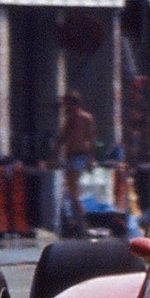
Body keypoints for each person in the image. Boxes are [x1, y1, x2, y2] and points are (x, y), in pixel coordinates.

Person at [54, 91, 98, 237]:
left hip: (80, 156)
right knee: (71, 192)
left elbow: (91, 138)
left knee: (73, 192)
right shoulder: (69, 119)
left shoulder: (85, 118)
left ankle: (82, 223)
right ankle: (77, 223)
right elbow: (63, 138)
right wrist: (53, 156)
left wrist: (91, 158)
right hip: (71, 156)